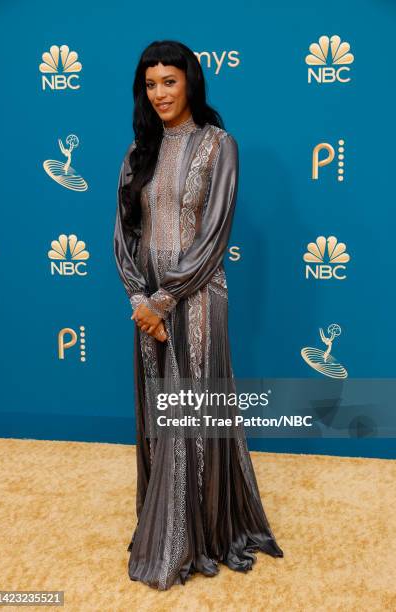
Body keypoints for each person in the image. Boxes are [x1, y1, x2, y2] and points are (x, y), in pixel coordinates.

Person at [113, 39, 283, 591]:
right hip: (147, 309)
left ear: (191, 83)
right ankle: (163, 523)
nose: (160, 93)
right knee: (161, 414)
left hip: (199, 298)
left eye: (170, 81)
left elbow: (214, 233)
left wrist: (165, 299)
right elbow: (123, 235)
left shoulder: (218, 145)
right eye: (151, 84)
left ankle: (200, 534)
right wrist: (139, 299)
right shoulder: (138, 152)